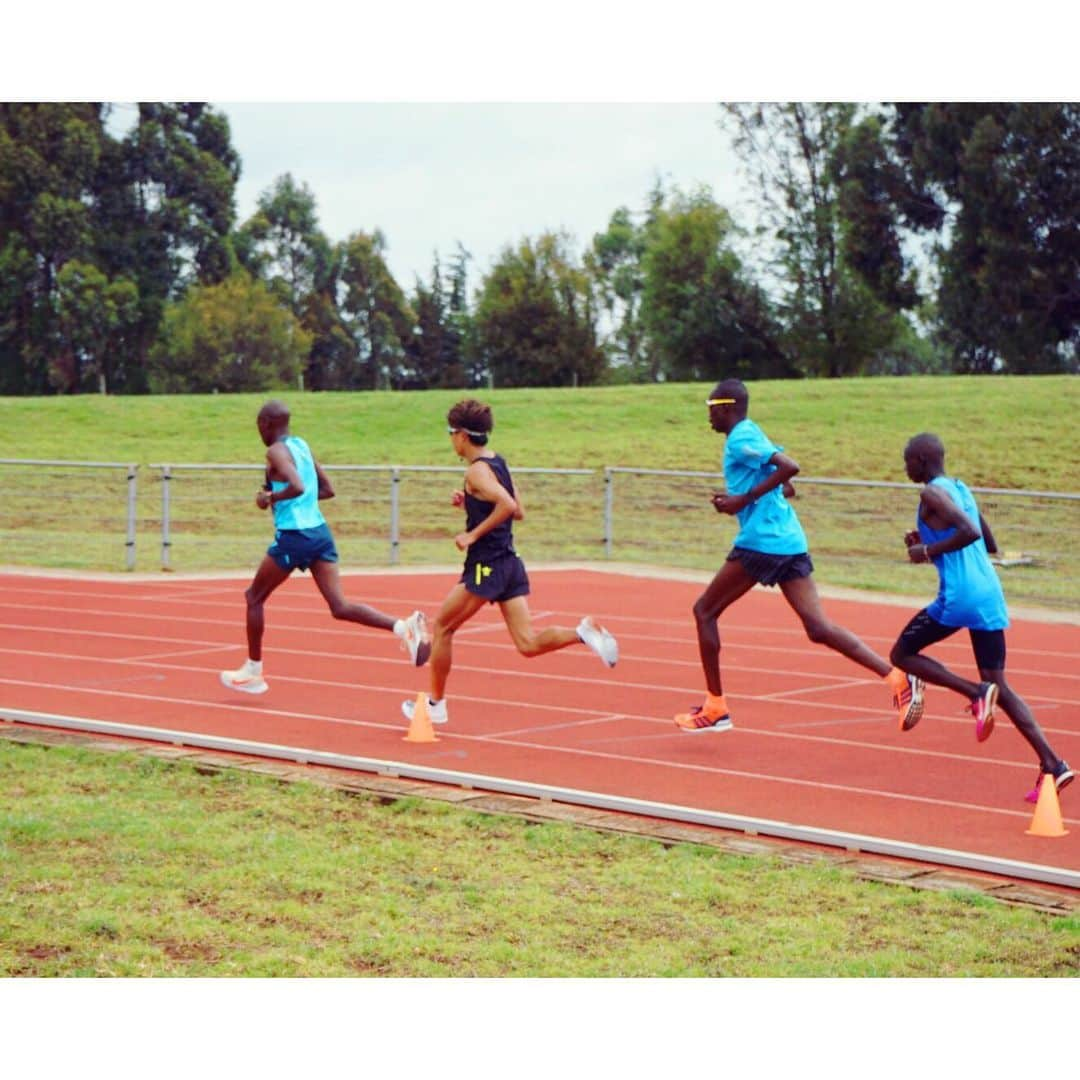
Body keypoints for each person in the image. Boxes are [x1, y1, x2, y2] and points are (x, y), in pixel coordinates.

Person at [675, 378, 921, 733]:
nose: (708, 416)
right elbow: (786, 486)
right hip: (790, 539)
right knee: (818, 628)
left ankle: (716, 707)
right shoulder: (752, 433)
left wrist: (742, 500)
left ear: (727, 408)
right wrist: (745, 497)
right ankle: (898, 679)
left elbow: (790, 468)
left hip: (763, 541)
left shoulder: (741, 438)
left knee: (704, 611)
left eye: (711, 409)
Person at [401, 398, 618, 728]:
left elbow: (506, 504)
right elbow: (517, 510)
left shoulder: (476, 470)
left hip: (486, 564)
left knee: (443, 627)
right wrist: (471, 502)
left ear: (461, 434)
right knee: (527, 644)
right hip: (508, 562)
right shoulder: (498, 463)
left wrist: (472, 534)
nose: (450, 440)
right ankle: (582, 633)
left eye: (450, 433)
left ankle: (436, 705)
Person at [889, 432, 1072, 803]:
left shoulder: (931, 493)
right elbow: (988, 542)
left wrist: (926, 550)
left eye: (908, 461)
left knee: (902, 655)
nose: (905, 468)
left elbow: (969, 532)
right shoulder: (960, 488)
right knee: (1001, 686)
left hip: (962, 596)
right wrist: (927, 536)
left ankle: (975, 694)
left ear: (922, 460)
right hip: (989, 593)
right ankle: (1054, 763)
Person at [220, 400, 430, 695]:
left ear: (266, 423)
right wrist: (293, 500)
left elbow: (298, 486)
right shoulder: (301, 446)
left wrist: (270, 498)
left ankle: (253, 670)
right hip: (320, 532)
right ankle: (403, 628)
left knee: (254, 597)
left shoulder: (275, 451)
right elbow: (327, 489)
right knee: (340, 607)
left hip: (295, 534)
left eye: (259, 425)